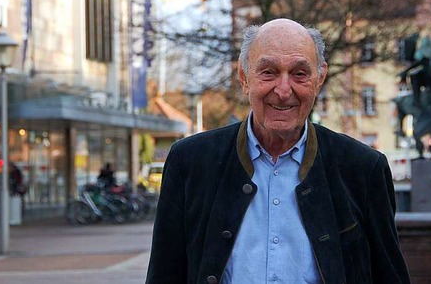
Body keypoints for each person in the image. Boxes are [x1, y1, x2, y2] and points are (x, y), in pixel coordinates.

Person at [146, 18, 410, 283]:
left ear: (319, 79)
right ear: (244, 77)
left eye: (299, 74)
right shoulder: (190, 163)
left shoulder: (363, 169)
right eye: (269, 72)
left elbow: (390, 276)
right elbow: (164, 274)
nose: (284, 91)